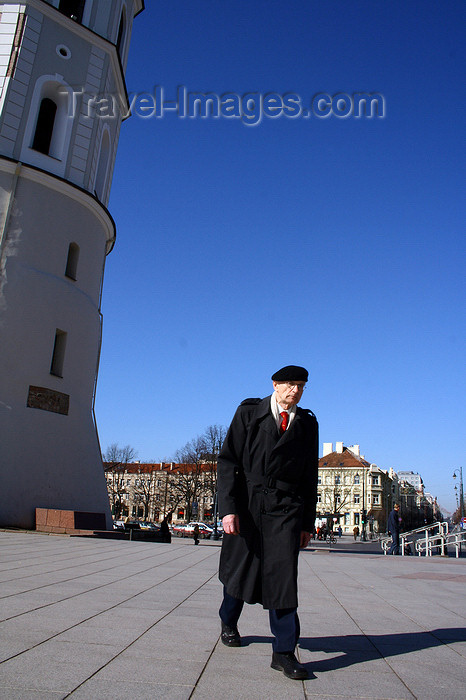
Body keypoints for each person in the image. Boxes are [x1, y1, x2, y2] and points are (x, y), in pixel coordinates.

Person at [217, 365, 318, 681]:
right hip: (248, 504)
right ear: (275, 385)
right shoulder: (249, 413)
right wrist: (228, 509)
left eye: (300, 386)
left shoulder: (307, 424)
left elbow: (309, 478)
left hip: (285, 509)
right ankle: (228, 621)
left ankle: (284, 652)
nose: (295, 391)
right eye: (289, 384)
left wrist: (306, 523)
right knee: (241, 569)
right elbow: (228, 461)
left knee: (283, 576)